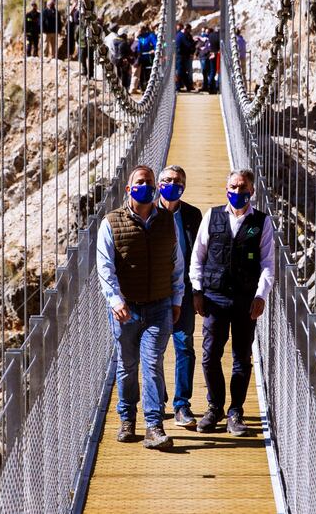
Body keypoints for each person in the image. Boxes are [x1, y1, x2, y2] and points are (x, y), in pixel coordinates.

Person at [97, 165, 185, 450]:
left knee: (152, 363)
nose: (146, 186)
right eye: (140, 182)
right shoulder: (111, 222)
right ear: (128, 189)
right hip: (126, 309)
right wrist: (115, 300)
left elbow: (177, 264)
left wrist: (176, 300)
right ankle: (127, 419)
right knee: (126, 366)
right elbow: (105, 266)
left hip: (159, 306)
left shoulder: (168, 221)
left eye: (149, 182)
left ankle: (153, 426)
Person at [190, 169, 274, 436]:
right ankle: (214, 408)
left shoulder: (262, 222)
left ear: (253, 190)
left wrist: (261, 295)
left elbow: (269, 263)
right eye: (233, 187)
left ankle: (235, 412)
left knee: (242, 357)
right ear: (225, 188)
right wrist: (197, 290)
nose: (238, 192)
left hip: (245, 299)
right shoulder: (212, 216)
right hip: (214, 297)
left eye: (243, 187)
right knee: (209, 355)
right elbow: (198, 256)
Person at [157, 165, 202, 427]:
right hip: (155, 292)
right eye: (167, 180)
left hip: (184, 291)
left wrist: (199, 292)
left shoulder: (193, 215)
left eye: (177, 181)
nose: (172, 184)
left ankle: (182, 405)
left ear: (184, 185)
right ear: (159, 183)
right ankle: (159, 396)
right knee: (156, 349)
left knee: (184, 345)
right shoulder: (148, 212)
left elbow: (200, 254)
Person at [195, 26, 211, 92]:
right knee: (204, 72)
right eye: (203, 31)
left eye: (204, 31)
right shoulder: (201, 39)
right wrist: (196, 53)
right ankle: (206, 86)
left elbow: (207, 48)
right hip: (202, 57)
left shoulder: (208, 39)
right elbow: (198, 46)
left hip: (205, 57)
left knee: (206, 72)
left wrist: (203, 51)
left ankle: (207, 86)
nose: (203, 32)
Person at [207, 27, 220, 93]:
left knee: (212, 71)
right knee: (219, 71)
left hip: (211, 54)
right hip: (217, 54)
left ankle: (210, 86)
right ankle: (217, 87)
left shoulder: (210, 35)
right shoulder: (219, 36)